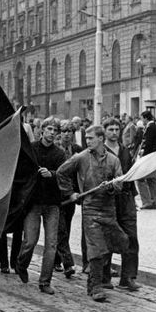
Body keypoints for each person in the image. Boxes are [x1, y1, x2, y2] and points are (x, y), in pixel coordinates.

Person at [57, 125, 125, 302]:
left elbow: (120, 183)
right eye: (86, 138)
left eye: (91, 138)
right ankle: (95, 287)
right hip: (91, 209)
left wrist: (111, 185)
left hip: (108, 209)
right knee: (95, 248)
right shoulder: (81, 157)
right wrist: (70, 193)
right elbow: (61, 173)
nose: (87, 141)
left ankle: (96, 281)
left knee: (111, 245)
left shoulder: (113, 160)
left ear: (101, 139)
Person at [15, 117, 66, 295]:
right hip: (34, 202)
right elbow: (21, 170)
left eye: (55, 130)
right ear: (42, 130)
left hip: (52, 204)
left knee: (51, 244)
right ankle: (21, 264)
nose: (52, 133)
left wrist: (51, 174)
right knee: (30, 241)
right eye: (49, 129)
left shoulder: (60, 153)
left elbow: (63, 175)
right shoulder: (32, 149)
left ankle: (45, 281)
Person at [103, 118, 141, 291]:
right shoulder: (99, 151)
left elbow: (131, 174)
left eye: (117, 129)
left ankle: (128, 277)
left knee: (131, 237)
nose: (114, 132)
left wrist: (133, 198)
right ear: (104, 131)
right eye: (110, 129)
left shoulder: (125, 151)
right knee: (108, 237)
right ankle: (104, 276)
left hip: (126, 199)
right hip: (108, 199)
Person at [53, 120, 83, 277]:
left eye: (70, 131)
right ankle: (67, 264)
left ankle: (56, 259)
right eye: (64, 131)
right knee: (61, 230)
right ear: (60, 133)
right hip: (56, 195)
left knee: (66, 229)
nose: (67, 134)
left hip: (70, 196)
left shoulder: (76, 150)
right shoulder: (56, 150)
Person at [136, 110, 156, 209]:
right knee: (152, 179)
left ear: (146, 118)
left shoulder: (150, 128)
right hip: (154, 156)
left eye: (142, 118)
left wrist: (143, 157)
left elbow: (148, 144)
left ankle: (146, 201)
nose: (142, 121)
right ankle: (154, 201)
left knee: (140, 178)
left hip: (148, 157)